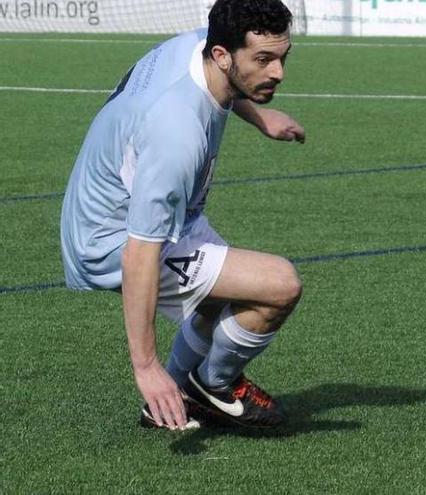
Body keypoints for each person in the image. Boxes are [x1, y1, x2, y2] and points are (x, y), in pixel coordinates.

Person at [60, 0, 306, 430]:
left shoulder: (201, 44)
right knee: (279, 285)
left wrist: (260, 116)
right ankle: (212, 385)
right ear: (222, 55)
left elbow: (229, 82)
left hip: (139, 209)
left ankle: (174, 399)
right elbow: (140, 252)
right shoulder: (177, 132)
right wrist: (145, 367)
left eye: (282, 58)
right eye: (263, 60)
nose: (278, 73)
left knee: (224, 295)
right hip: (111, 238)